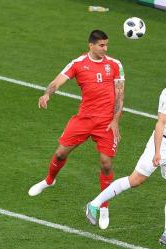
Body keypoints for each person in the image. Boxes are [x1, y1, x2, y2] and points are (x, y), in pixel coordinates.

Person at [85, 56, 166, 249]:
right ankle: (94, 204)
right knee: (135, 180)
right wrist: (156, 152)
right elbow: (160, 123)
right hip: (163, 144)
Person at [28, 30, 125, 230]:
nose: (105, 49)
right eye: (101, 45)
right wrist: (47, 94)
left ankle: (104, 206)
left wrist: (116, 120)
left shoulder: (115, 65)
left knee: (106, 164)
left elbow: (120, 95)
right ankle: (49, 180)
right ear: (91, 45)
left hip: (106, 122)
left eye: (107, 45)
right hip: (83, 119)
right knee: (60, 153)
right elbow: (57, 81)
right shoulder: (78, 64)